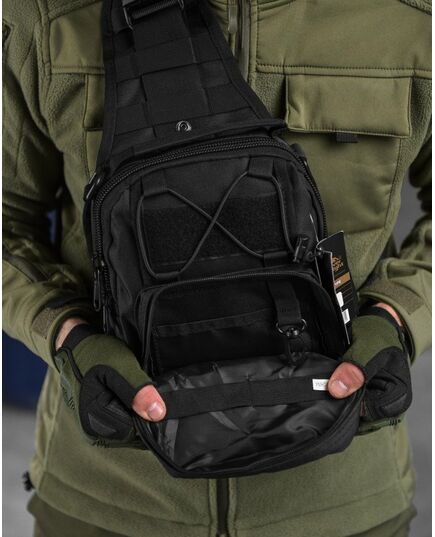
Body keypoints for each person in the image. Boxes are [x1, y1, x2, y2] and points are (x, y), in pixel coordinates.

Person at [3, 1, 431, 536]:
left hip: (342, 502)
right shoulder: (48, 13)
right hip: (107, 499)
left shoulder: (414, 17)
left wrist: (397, 318)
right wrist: (68, 335)